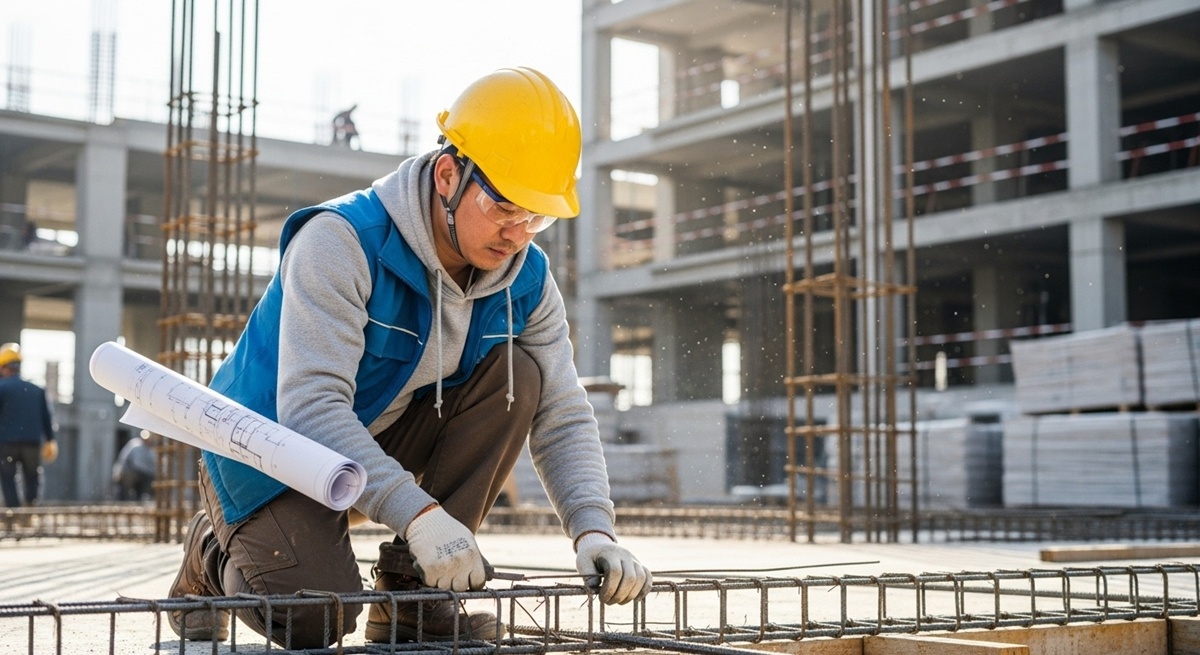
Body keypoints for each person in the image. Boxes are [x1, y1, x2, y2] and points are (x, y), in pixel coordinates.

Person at [167, 67, 653, 648]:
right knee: (313, 618)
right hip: (270, 451)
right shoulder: (342, 242)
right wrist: (420, 517)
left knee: (522, 376)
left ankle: (415, 598)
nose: (519, 233)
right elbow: (312, 408)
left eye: (537, 216)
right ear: (449, 174)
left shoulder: (526, 280)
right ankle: (211, 551)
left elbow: (563, 411)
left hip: (379, 437)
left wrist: (593, 531)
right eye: (505, 208)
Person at [0, 342, 58, 507]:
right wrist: (50, 440)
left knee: (8, 478)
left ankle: (14, 514)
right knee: (32, 476)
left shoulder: (1, 388)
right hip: (32, 444)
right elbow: (46, 417)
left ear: (3, 367)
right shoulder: (36, 390)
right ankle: (30, 510)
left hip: (6, 444)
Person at [112, 431, 156, 501]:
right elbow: (137, 465)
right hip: (126, 471)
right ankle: (128, 499)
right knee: (141, 479)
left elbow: (153, 463)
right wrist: (151, 472)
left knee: (147, 479)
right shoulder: (136, 445)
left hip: (136, 472)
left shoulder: (149, 449)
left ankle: (139, 497)